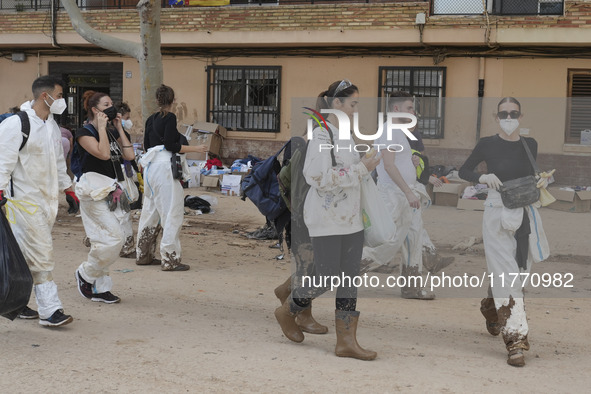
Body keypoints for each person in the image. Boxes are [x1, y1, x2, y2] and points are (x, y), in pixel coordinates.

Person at [274, 79, 381, 360]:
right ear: (337, 104)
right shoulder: (322, 136)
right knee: (326, 275)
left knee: (349, 279)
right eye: (353, 104)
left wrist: (366, 164)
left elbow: (349, 173)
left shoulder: (345, 135)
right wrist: (361, 168)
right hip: (325, 218)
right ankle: (288, 311)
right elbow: (319, 178)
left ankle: (346, 341)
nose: (357, 109)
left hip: (350, 219)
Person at [459, 97, 549, 367]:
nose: (508, 117)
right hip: (497, 211)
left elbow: (530, 175)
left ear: (521, 117)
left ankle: (491, 306)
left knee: (519, 275)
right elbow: (464, 170)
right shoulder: (487, 143)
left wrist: (542, 178)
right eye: (503, 114)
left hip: (525, 213)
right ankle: (516, 340)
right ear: (496, 117)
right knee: (506, 275)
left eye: (513, 113)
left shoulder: (529, 144)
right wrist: (481, 177)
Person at [0, 75, 77, 327]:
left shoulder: (51, 125)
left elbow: (57, 162)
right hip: (21, 203)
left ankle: (17, 302)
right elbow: (3, 162)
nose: (63, 100)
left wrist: (68, 189)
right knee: (42, 253)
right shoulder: (17, 124)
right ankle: (50, 310)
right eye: (61, 94)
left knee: (23, 253)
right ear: (46, 96)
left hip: (46, 202)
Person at [367, 91, 435, 299]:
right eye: (409, 108)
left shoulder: (398, 131)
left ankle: (411, 287)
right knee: (386, 242)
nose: (413, 112)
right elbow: (388, 166)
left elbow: (397, 161)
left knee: (413, 240)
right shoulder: (390, 130)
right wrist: (407, 192)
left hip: (407, 195)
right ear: (396, 109)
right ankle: (344, 274)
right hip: (394, 196)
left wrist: (411, 163)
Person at [135, 84, 207, 271]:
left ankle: (143, 254)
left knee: (150, 212)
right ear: (173, 100)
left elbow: (147, 145)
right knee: (171, 213)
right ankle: (170, 259)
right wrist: (196, 149)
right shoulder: (170, 117)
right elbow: (169, 145)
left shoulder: (151, 119)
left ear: (158, 100)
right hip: (165, 168)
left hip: (150, 168)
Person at [74, 90, 136, 304]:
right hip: (93, 192)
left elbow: (129, 156)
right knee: (115, 237)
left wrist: (118, 127)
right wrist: (101, 127)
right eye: (107, 104)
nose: (112, 108)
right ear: (95, 109)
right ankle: (86, 273)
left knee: (105, 241)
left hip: (112, 191)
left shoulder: (111, 131)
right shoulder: (83, 132)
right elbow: (103, 154)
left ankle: (100, 288)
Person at [114, 101, 140, 258]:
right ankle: (127, 246)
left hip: (117, 174)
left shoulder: (108, 132)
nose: (129, 120)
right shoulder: (117, 134)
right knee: (123, 211)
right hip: (118, 175)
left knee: (113, 211)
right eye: (127, 117)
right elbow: (125, 157)